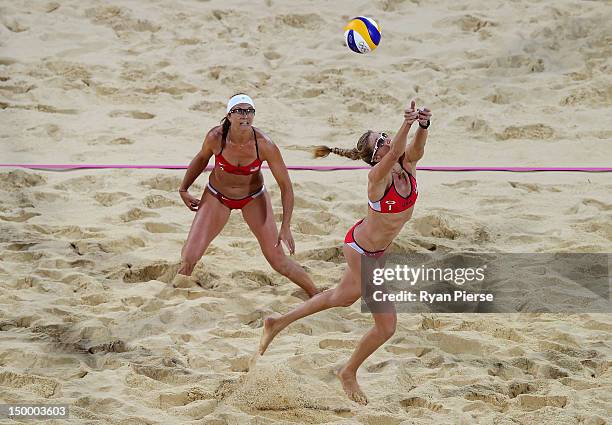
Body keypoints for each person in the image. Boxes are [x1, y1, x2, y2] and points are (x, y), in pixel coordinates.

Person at [258, 100, 432, 404]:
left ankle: (278, 321)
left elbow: (414, 148)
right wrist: (405, 123)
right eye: (380, 141)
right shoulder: (377, 180)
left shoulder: (408, 164)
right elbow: (394, 152)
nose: (388, 141)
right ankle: (348, 372)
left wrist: (423, 124)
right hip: (362, 252)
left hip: (374, 250)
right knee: (387, 326)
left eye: (385, 135)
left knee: (340, 297)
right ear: (374, 156)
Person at [175, 93, 319, 298]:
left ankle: (315, 293)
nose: (245, 115)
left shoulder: (264, 144)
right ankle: (176, 296)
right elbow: (200, 159)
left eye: (249, 111)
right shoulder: (216, 138)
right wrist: (183, 189)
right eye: (240, 111)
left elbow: (286, 186)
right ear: (229, 116)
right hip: (218, 196)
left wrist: (286, 225)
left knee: (277, 259)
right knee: (190, 255)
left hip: (253, 197)